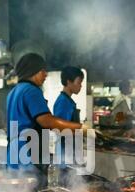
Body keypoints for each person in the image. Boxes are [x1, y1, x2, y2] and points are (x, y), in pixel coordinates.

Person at [6, 53, 87, 185]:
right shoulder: (32, 90)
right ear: (33, 71)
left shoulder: (13, 92)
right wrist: (81, 128)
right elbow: (47, 120)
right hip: (28, 157)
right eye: (43, 71)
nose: (45, 75)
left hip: (13, 157)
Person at [53, 66, 84, 170]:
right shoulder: (63, 102)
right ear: (69, 82)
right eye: (79, 82)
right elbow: (61, 130)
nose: (81, 86)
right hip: (65, 155)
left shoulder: (68, 101)